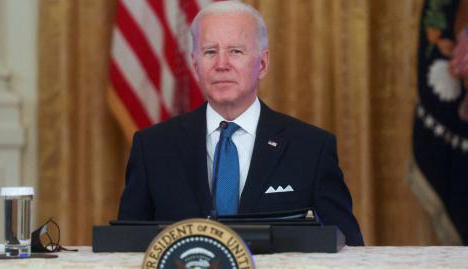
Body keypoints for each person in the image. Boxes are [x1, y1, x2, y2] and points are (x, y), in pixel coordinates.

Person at [118, 1, 364, 246]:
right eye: (210, 52)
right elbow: (124, 249)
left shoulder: (311, 148)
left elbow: (348, 249)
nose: (221, 64)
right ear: (195, 65)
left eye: (236, 51)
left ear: (263, 64)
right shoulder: (152, 147)